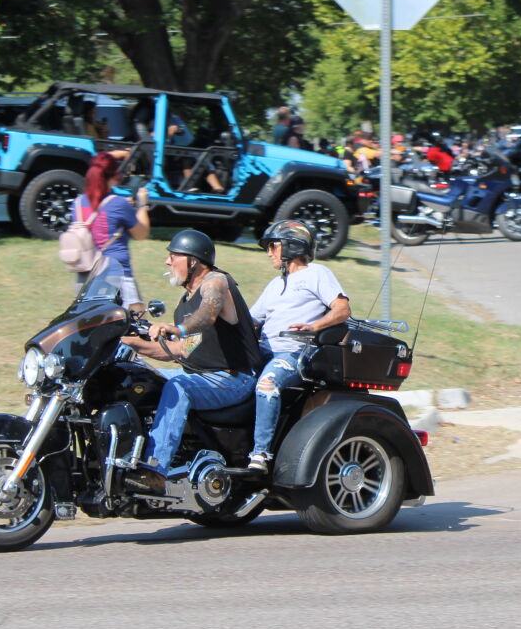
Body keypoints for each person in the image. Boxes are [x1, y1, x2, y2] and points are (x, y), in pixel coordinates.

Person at [121, 229, 263, 477]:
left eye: (173, 256)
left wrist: (176, 328)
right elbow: (179, 350)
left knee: (180, 387)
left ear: (193, 261)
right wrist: (128, 342)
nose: (167, 261)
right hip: (204, 377)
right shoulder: (184, 305)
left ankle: (155, 469)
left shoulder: (216, 282)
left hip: (233, 379)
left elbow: (207, 314)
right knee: (136, 376)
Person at [244, 220, 351, 472]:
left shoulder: (317, 274)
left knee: (267, 384)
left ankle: (261, 454)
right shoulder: (275, 284)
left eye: (273, 246)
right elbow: (251, 320)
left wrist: (314, 327)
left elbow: (342, 309)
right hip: (263, 351)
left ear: (292, 246)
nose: (269, 252)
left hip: (294, 352)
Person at [74, 151, 151, 307]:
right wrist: (142, 205)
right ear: (112, 176)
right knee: (133, 325)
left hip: (86, 277)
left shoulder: (77, 203)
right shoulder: (118, 204)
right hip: (118, 276)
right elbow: (141, 234)